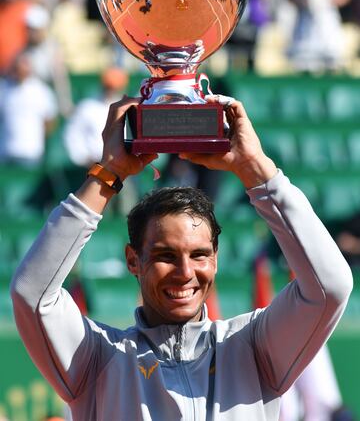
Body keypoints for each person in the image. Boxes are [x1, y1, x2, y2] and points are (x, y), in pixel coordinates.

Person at [10, 94, 353, 420]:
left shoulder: (251, 347)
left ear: (216, 260)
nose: (185, 271)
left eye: (199, 254)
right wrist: (108, 172)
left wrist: (256, 169)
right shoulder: (98, 358)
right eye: (165, 255)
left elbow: (330, 287)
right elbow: (32, 293)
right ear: (133, 260)